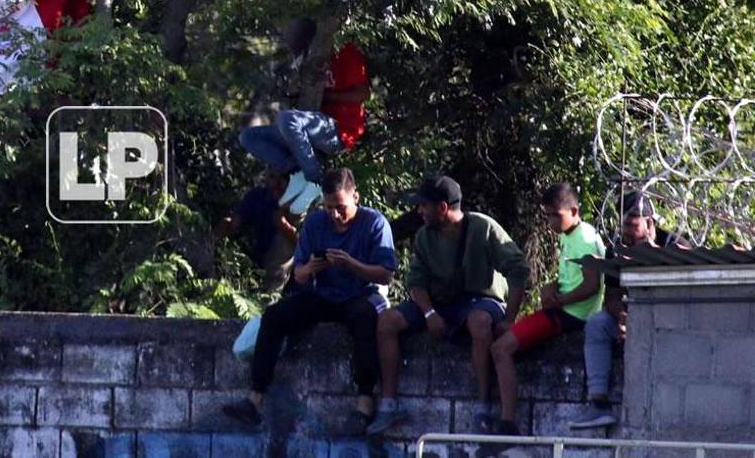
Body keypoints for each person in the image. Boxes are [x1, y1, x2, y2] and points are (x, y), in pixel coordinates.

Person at [221, 169, 397, 434]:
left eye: (341, 208)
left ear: (355, 197)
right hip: (325, 293)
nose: (335, 215)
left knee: (364, 320)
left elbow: (386, 274)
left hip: (361, 293)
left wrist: (352, 265)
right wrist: (313, 268)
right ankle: (255, 399)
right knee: (274, 316)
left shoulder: (374, 222)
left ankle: (364, 402)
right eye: (329, 208)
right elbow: (300, 275)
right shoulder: (316, 223)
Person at [368, 176, 529, 435]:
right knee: (387, 322)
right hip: (439, 302)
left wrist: (509, 318)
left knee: (481, 323)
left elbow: (518, 269)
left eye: (424, 205)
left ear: (443, 207)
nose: (419, 211)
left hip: (480, 299)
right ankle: (388, 404)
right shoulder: (423, 237)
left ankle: (483, 405)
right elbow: (416, 282)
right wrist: (429, 312)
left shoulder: (482, 227)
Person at [489, 182, 605, 435]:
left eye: (557, 215)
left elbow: (592, 285)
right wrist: (551, 287)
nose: (552, 221)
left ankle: (507, 421)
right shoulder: (570, 235)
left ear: (574, 211)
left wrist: (559, 301)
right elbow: (571, 278)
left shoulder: (584, 239)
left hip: (571, 315)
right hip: (562, 309)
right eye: (548, 215)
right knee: (502, 341)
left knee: (500, 349)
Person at [568, 192, 675, 430]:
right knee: (597, 323)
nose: (626, 232)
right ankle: (598, 403)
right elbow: (612, 297)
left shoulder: (672, 245)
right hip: (631, 317)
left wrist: (653, 253)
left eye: (632, 225)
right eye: (623, 225)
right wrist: (622, 317)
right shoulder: (617, 249)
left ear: (650, 223)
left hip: (669, 319)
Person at [238, 18, 369, 214]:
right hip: (309, 125)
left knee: (286, 119)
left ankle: (315, 180)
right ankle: (296, 171)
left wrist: (328, 96)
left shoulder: (346, 52)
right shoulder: (304, 60)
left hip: (339, 129)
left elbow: (363, 94)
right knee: (248, 137)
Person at [214, 168, 299, 292]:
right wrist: (219, 234)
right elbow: (235, 221)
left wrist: (284, 226)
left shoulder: (300, 203)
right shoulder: (258, 197)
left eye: (283, 178)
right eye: (272, 177)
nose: (277, 183)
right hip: (258, 267)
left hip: (292, 274)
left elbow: (306, 243)